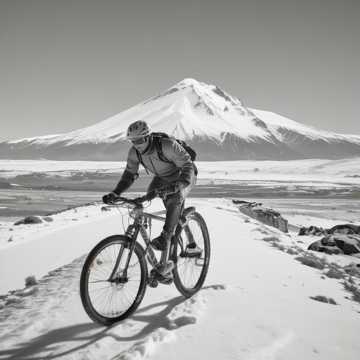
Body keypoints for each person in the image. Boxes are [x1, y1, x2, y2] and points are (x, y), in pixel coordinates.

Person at [103, 120, 200, 277]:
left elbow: (187, 166)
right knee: (147, 196)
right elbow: (129, 175)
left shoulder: (167, 145)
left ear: (148, 137)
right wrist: (116, 193)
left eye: (140, 140)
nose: (137, 144)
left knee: (174, 199)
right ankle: (175, 242)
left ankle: (166, 238)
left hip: (185, 175)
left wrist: (179, 185)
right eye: (133, 141)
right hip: (163, 178)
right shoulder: (134, 152)